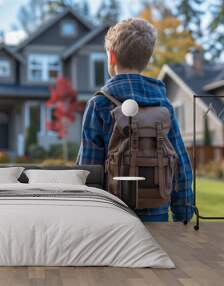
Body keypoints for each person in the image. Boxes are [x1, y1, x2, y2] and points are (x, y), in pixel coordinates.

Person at [76, 18, 193, 222]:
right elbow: (181, 165)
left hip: (112, 219)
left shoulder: (100, 105)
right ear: (146, 60)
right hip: (157, 217)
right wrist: (183, 215)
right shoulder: (163, 105)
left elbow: (88, 170)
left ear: (111, 56)